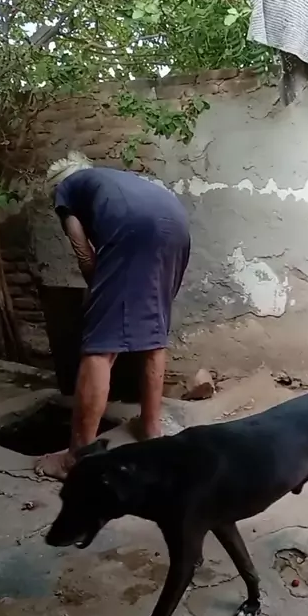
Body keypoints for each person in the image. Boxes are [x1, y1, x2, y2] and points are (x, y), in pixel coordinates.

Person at [35, 152, 191, 480]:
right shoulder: (110, 180)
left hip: (134, 229)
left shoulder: (65, 191)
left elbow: (83, 251)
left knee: (101, 345)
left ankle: (76, 458)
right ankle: (151, 429)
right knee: (153, 331)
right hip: (176, 222)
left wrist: (101, 294)